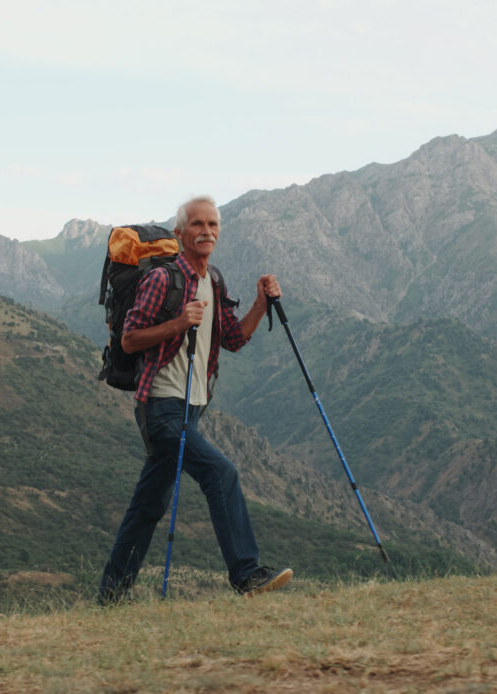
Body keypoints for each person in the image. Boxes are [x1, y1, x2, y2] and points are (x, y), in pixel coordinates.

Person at [98, 195, 293, 604]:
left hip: (192, 408)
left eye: (213, 225)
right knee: (221, 474)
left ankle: (110, 597)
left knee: (147, 507)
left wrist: (261, 302)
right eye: (197, 225)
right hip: (161, 407)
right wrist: (178, 323)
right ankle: (246, 573)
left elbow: (234, 338)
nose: (206, 231)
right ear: (180, 234)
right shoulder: (162, 280)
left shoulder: (213, 281)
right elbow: (130, 339)